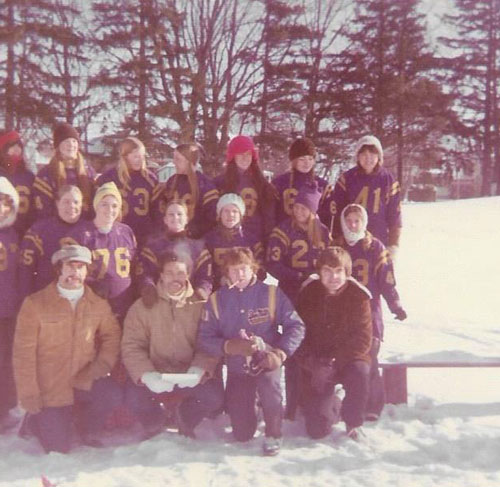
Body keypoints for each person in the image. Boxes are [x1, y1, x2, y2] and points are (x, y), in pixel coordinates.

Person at [13, 245, 121, 453]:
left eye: (81, 267)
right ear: (58, 270)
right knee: (58, 449)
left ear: (87, 271)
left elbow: (112, 336)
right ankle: (35, 420)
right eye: (70, 266)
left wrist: (98, 368)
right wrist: (29, 393)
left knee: (111, 393)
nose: (75, 272)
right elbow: (22, 354)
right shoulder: (35, 304)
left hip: (83, 378)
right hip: (51, 388)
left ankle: (86, 427)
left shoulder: (97, 304)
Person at [197, 248, 305, 456]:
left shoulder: (271, 293)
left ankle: (274, 432)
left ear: (253, 268)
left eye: (244, 268)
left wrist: (280, 353)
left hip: (267, 362)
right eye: (234, 270)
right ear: (226, 273)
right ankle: (251, 406)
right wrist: (228, 346)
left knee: (269, 387)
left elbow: (296, 326)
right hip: (239, 369)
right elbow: (204, 338)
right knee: (242, 433)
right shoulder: (216, 300)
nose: (240, 274)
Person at [122, 250, 224, 439]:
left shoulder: (201, 305)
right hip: (156, 372)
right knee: (131, 396)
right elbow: (131, 345)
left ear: (188, 275)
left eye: (180, 273)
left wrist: (200, 368)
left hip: (187, 373)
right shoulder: (142, 306)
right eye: (169, 273)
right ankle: (154, 422)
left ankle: (185, 418)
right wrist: (146, 374)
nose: (174, 278)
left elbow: (210, 342)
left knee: (214, 396)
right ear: (161, 275)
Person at [295, 247, 372, 441]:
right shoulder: (308, 292)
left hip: (346, 359)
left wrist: (335, 362)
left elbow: (362, 339)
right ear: (319, 272)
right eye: (328, 271)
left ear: (347, 273)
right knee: (317, 430)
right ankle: (335, 399)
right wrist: (312, 363)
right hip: (318, 362)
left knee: (360, 371)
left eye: (339, 271)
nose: (333, 277)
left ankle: (354, 422)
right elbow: (297, 332)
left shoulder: (359, 296)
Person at [339, 203, 407, 420]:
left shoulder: (375, 248)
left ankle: (372, 405)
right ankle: (347, 402)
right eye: (349, 220)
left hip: (369, 311)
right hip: (342, 311)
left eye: (357, 220)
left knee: (369, 356)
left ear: (364, 222)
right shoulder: (337, 246)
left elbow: (387, 282)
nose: (352, 224)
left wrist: (395, 304)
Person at [330, 135, 402, 258]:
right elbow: (338, 212)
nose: (368, 159)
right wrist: (337, 238)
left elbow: (394, 216)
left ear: (379, 156)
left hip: (379, 239)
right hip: (350, 240)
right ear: (357, 156)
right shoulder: (347, 179)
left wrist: (393, 244)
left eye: (372, 154)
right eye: (363, 154)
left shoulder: (388, 180)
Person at [74, 182, 137, 322]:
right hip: (93, 306)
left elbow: (133, 265)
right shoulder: (83, 234)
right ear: (96, 206)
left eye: (114, 205)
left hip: (123, 304)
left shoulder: (126, 231)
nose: (110, 209)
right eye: (104, 204)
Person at [136, 199, 212, 305]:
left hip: (188, 303)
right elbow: (145, 273)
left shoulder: (197, 247)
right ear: (165, 219)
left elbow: (205, 277)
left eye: (179, 214)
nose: (175, 217)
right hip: (160, 302)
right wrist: (148, 289)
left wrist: (202, 291)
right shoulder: (153, 246)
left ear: (186, 219)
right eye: (171, 214)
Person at [266, 183, 332, 304]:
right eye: (296, 207)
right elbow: (272, 264)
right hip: (290, 290)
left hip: (316, 289)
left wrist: (318, 277)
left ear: (312, 211)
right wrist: (298, 276)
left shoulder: (323, 231)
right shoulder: (283, 230)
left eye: (303, 208)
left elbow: (329, 261)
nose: (298, 211)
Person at [18, 185, 86, 300]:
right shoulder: (39, 230)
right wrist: (28, 300)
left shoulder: (88, 230)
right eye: (66, 202)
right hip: (47, 297)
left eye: (76, 202)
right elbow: (25, 272)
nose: (72, 206)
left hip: (79, 300)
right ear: (57, 203)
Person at [97, 137, 161, 245]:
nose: (139, 160)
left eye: (142, 156)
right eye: (135, 156)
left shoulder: (150, 179)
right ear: (125, 156)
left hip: (143, 233)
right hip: (117, 232)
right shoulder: (110, 177)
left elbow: (156, 210)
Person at [215, 135, 277, 242]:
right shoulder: (220, 183)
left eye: (248, 154)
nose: (245, 158)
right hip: (230, 240)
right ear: (233, 156)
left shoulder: (262, 183)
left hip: (257, 239)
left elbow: (269, 217)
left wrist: (268, 240)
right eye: (240, 154)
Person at [33, 122, 95, 219]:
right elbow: (44, 211)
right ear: (58, 146)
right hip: (57, 228)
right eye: (66, 141)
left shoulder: (88, 172)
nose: (71, 145)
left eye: (74, 141)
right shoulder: (46, 174)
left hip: (84, 228)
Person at [205, 193, 265, 289]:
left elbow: (261, 266)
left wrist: (250, 280)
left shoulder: (251, 239)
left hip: (247, 289)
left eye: (235, 211)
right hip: (219, 289)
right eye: (226, 211)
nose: (230, 215)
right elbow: (205, 269)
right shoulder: (209, 239)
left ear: (241, 215)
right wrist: (219, 279)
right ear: (219, 214)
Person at [160, 143, 218, 238]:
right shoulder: (171, 182)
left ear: (189, 161)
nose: (174, 162)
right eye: (174, 158)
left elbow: (211, 220)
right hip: (171, 238)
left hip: (195, 241)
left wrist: (192, 233)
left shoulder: (205, 185)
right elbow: (162, 210)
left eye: (178, 159)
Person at [271, 137, 333, 228]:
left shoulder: (322, 185)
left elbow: (328, 217)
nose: (307, 163)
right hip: (284, 234)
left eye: (310, 159)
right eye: (302, 159)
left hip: (312, 235)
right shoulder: (280, 183)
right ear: (294, 160)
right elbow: (271, 213)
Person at [0, 178, 20, 428]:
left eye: (6, 203)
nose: (2, 208)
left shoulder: (15, 235)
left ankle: (5, 408)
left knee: (6, 360)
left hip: (8, 309)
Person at [0, 130, 36, 236]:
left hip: (23, 229)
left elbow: (34, 207)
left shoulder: (28, 176)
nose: (16, 149)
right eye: (12, 146)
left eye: (19, 146)